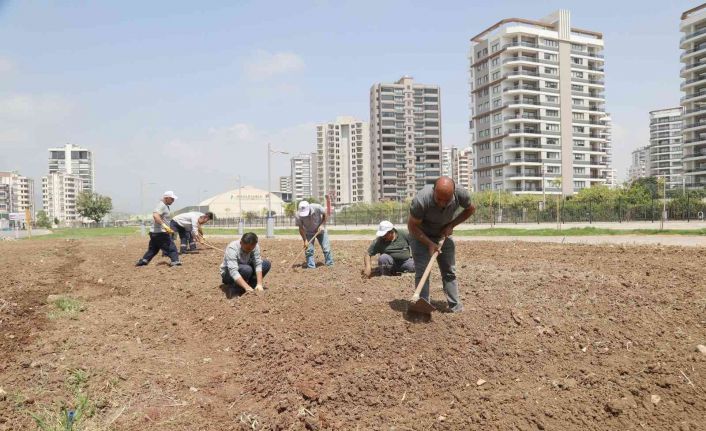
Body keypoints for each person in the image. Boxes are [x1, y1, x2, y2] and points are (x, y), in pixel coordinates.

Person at [407, 177, 475, 312]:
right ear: (434, 191)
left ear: (454, 193)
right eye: (439, 199)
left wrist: (451, 225)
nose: (442, 203)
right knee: (423, 272)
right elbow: (412, 226)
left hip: (443, 235)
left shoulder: (461, 194)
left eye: (447, 200)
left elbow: (470, 209)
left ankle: (455, 306)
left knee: (449, 271)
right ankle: (422, 307)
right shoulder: (421, 200)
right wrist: (429, 243)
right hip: (421, 236)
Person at [136, 191, 182, 267]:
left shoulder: (165, 206)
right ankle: (175, 261)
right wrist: (164, 226)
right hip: (160, 232)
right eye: (172, 199)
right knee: (171, 247)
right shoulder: (162, 205)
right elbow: (155, 215)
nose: (173, 201)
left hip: (154, 232)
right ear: (166, 198)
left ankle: (143, 261)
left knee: (153, 249)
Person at [295, 200, 333, 269]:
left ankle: (330, 265)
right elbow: (301, 228)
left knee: (326, 247)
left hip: (320, 230)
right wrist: (305, 240)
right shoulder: (298, 215)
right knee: (309, 250)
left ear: (309, 208)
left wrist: (322, 225)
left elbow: (325, 214)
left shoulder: (317, 207)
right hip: (308, 232)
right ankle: (311, 267)